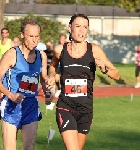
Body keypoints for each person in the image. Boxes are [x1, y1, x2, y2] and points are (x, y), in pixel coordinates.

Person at [48, 14, 120, 150]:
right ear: (70, 28)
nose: (81, 31)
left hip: (86, 110)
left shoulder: (94, 50)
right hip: (65, 107)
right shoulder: (59, 50)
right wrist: (53, 76)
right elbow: (53, 67)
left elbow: (116, 74)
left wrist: (104, 69)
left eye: (85, 27)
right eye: (78, 26)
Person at [0, 20, 52, 150]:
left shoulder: (42, 55)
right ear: (22, 35)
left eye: (37, 37)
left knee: (29, 147)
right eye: (31, 36)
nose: (34, 40)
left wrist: (48, 92)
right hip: (11, 106)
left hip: (31, 105)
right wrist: (10, 95)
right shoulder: (12, 54)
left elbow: (43, 78)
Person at [55, 33, 67, 98]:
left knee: (64, 79)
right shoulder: (56, 46)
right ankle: (59, 89)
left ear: (65, 39)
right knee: (56, 78)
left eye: (63, 38)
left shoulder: (67, 46)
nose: (61, 40)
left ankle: (64, 90)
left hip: (65, 65)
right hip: (58, 65)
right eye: (61, 38)